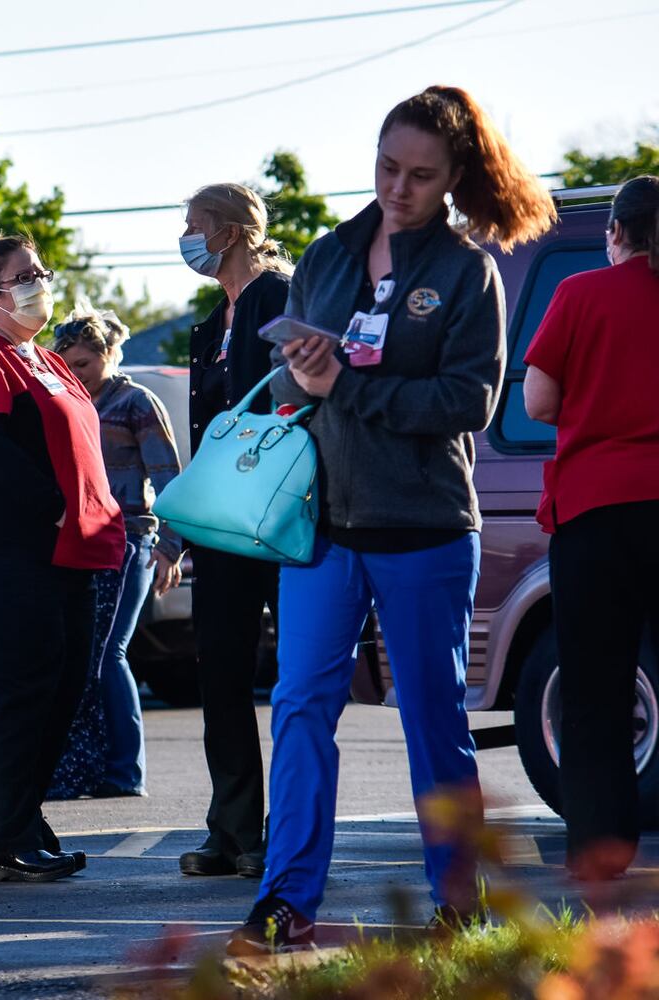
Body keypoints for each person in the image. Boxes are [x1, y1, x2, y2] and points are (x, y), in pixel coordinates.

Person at [229, 86, 555, 954]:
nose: (398, 189)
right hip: (324, 526)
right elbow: (300, 391)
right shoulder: (329, 255)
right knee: (299, 707)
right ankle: (284, 900)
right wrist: (304, 370)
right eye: (387, 168)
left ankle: (459, 901)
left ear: (453, 179)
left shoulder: (463, 268)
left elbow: (471, 401)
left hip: (425, 529)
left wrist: (350, 386)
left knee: (433, 717)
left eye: (419, 175)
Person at [0, 234, 126, 883]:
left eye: (40, 271)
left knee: (63, 688)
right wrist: (52, 502)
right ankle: (4, 839)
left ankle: (20, 818)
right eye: (24, 275)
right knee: (14, 693)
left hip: (64, 549)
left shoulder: (45, 357)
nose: (39, 281)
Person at [523, 175, 659, 882]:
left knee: (596, 693)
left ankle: (599, 855)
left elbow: (540, 400)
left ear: (615, 231)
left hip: (596, 512)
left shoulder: (579, 293)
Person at [177, 183, 293, 879]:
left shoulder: (279, 296)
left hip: (280, 513)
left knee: (299, 679)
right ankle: (233, 828)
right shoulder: (212, 320)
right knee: (219, 671)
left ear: (228, 231)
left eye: (193, 227)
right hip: (223, 521)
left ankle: (287, 829)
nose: (186, 239)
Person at [50, 302, 183, 801]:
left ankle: (127, 772)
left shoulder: (137, 403)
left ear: (110, 354)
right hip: (79, 541)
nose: (76, 374)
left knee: (109, 655)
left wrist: (170, 548)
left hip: (131, 540)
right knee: (80, 656)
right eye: (68, 365)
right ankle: (88, 768)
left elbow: (170, 480)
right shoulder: (66, 401)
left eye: (84, 364)